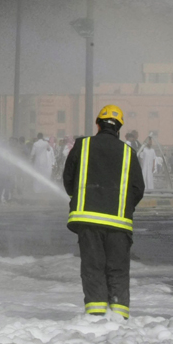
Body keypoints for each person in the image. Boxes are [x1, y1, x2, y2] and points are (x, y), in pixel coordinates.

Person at [63, 104, 145, 319]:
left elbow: (68, 178)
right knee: (117, 268)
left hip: (88, 220)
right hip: (119, 223)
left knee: (93, 266)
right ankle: (119, 314)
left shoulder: (83, 145)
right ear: (119, 128)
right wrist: (124, 208)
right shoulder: (129, 152)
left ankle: (96, 314)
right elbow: (138, 188)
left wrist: (79, 199)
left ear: (98, 124)